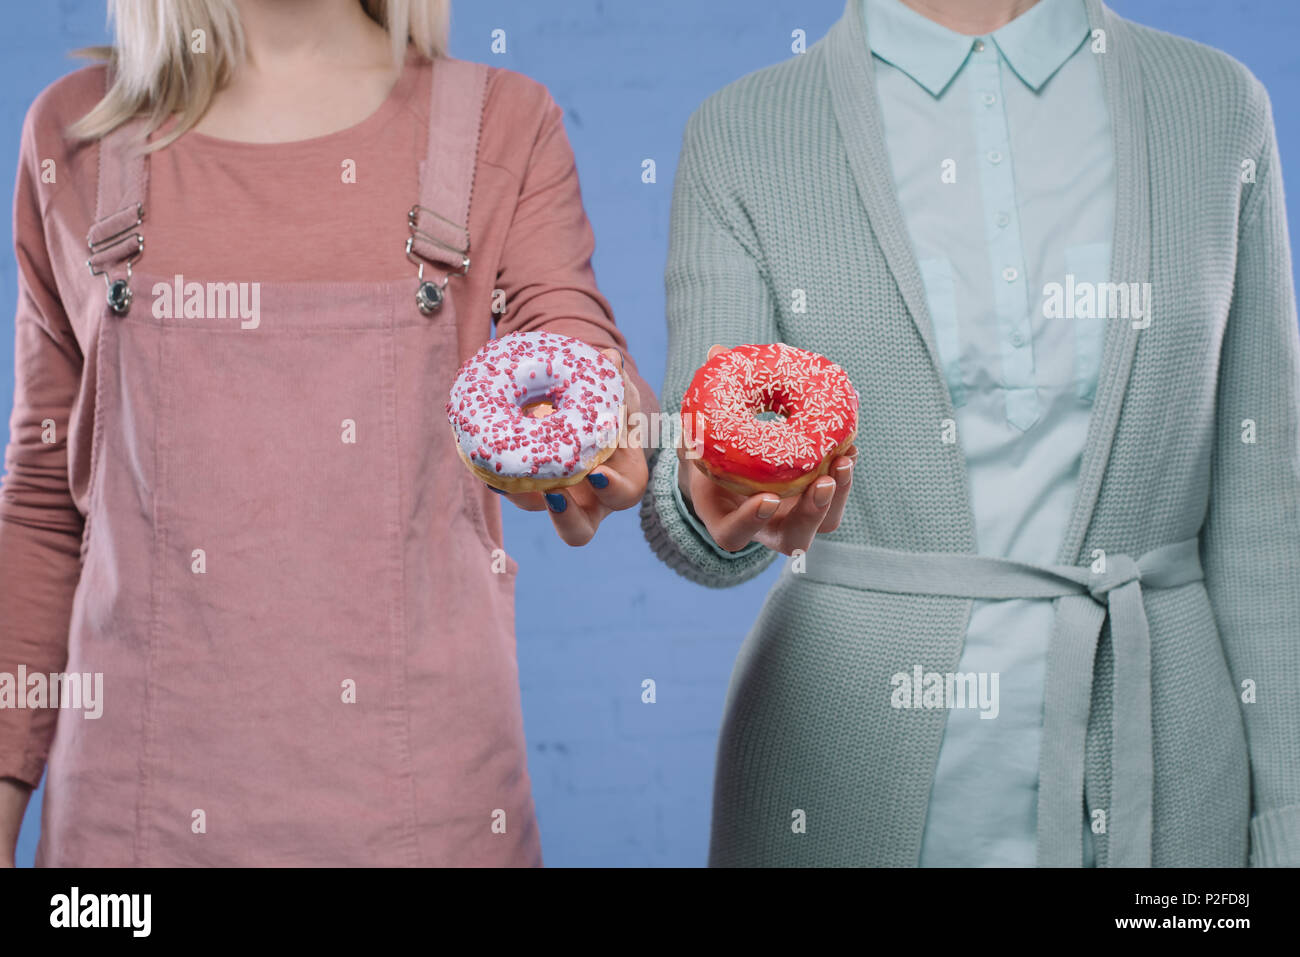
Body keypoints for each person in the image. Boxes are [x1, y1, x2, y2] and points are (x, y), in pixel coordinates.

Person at [642, 0, 1300, 866]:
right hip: (835, 774)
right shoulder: (744, 132)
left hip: (1172, 787)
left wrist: (1284, 825)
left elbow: (1267, 521)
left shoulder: (1218, 106)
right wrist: (706, 507)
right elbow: (698, 465)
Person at [0, 0, 655, 866]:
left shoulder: (500, 124)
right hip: (125, 844)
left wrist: (602, 421)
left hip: (434, 828)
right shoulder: (76, 138)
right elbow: (46, 512)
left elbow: (567, 332)